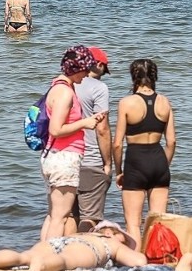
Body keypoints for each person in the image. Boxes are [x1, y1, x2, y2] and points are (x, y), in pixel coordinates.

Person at [40, 45, 106, 241]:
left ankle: (41, 252)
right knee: (61, 216)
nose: (86, 75)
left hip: (54, 156)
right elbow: (55, 129)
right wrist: (85, 123)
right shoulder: (65, 93)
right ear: (76, 68)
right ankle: (48, 255)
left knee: (54, 216)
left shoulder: (57, 87)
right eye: (85, 69)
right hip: (64, 157)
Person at [112, 58, 176, 249]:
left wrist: (118, 171)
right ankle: (159, 258)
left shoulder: (126, 103)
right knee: (158, 220)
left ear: (134, 76)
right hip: (159, 160)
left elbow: (117, 144)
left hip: (136, 161)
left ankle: (138, 261)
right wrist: (164, 164)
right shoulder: (165, 102)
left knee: (133, 222)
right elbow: (171, 141)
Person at [0, 220, 146, 271]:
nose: (122, 244)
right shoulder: (109, 242)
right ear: (108, 232)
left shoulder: (80, 233)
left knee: (25, 256)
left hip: (58, 240)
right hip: (86, 249)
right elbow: (139, 261)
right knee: (65, 260)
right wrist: (119, 252)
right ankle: (42, 265)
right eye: (121, 239)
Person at [73, 47, 113, 232]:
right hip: (91, 159)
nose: (104, 74)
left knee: (66, 216)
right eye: (105, 69)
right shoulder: (99, 88)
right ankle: (82, 256)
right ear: (98, 64)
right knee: (90, 218)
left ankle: (58, 255)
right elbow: (102, 129)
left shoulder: (65, 84)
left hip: (65, 157)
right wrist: (108, 163)